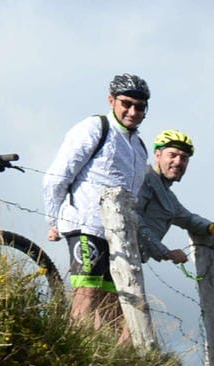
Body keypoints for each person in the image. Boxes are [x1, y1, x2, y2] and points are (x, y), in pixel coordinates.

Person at [42, 74, 152, 341]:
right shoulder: (94, 128)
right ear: (111, 100)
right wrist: (52, 219)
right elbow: (58, 175)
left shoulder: (139, 146)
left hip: (117, 234)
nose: (132, 111)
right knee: (87, 292)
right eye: (126, 103)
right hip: (85, 224)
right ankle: (72, 348)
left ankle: (107, 358)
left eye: (140, 106)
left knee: (115, 299)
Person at [135, 130, 214, 265]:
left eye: (184, 158)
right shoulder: (143, 178)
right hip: (112, 255)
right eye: (172, 155)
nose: (178, 162)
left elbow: (188, 218)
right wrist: (165, 252)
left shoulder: (168, 195)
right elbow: (133, 218)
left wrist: (212, 228)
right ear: (158, 155)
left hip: (131, 260)